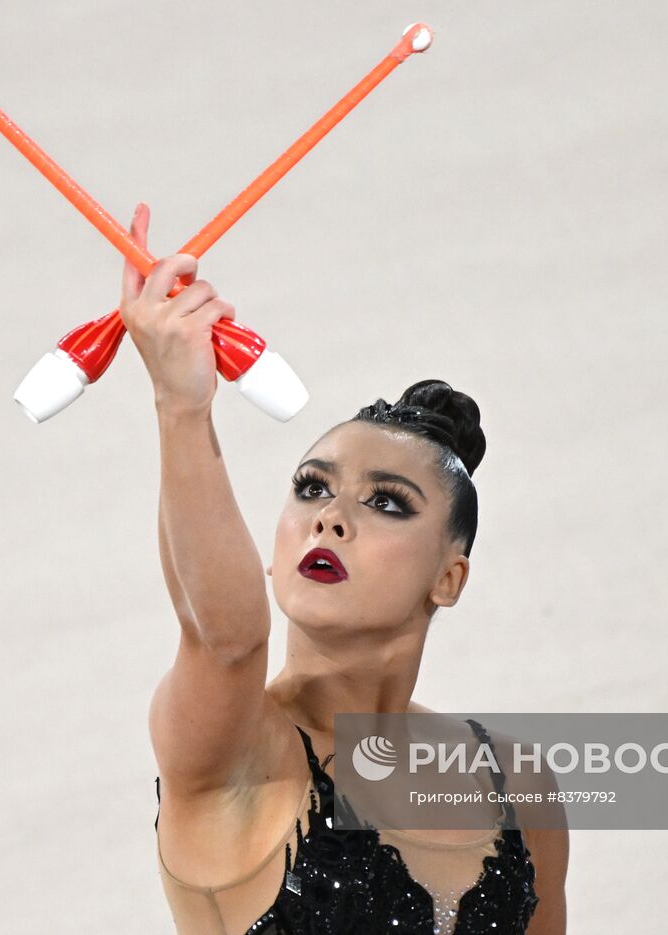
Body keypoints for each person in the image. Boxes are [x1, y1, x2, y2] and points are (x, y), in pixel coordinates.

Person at [118, 202, 568, 934]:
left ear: (448, 577)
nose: (331, 515)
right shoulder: (237, 755)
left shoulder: (516, 785)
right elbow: (223, 637)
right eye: (312, 487)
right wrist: (181, 405)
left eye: (387, 502)